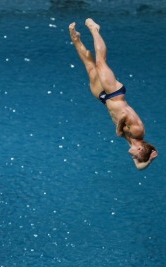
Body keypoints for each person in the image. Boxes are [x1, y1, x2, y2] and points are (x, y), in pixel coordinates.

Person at [69, 18, 157, 170]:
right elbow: (125, 114)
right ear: (140, 149)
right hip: (115, 94)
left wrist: (149, 160)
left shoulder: (131, 141)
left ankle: (75, 38)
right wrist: (119, 129)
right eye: (135, 156)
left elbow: (139, 167)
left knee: (90, 67)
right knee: (100, 62)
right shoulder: (138, 132)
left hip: (104, 98)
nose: (133, 157)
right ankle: (94, 29)